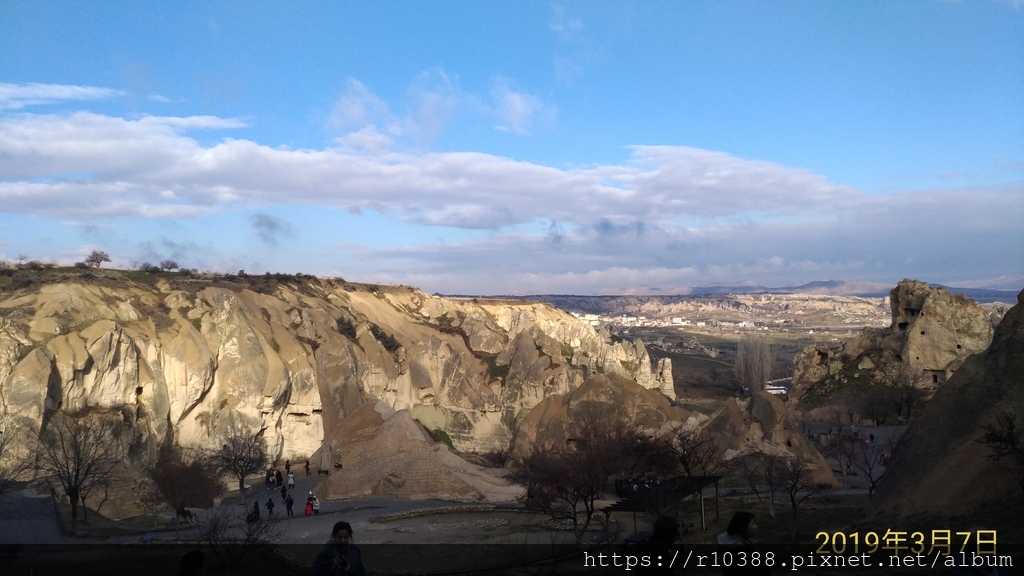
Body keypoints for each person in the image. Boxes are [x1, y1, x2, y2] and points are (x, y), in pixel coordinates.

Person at [717, 511, 769, 575]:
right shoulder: (738, 551)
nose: (756, 526)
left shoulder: (741, 544)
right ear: (743, 526)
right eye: (752, 524)